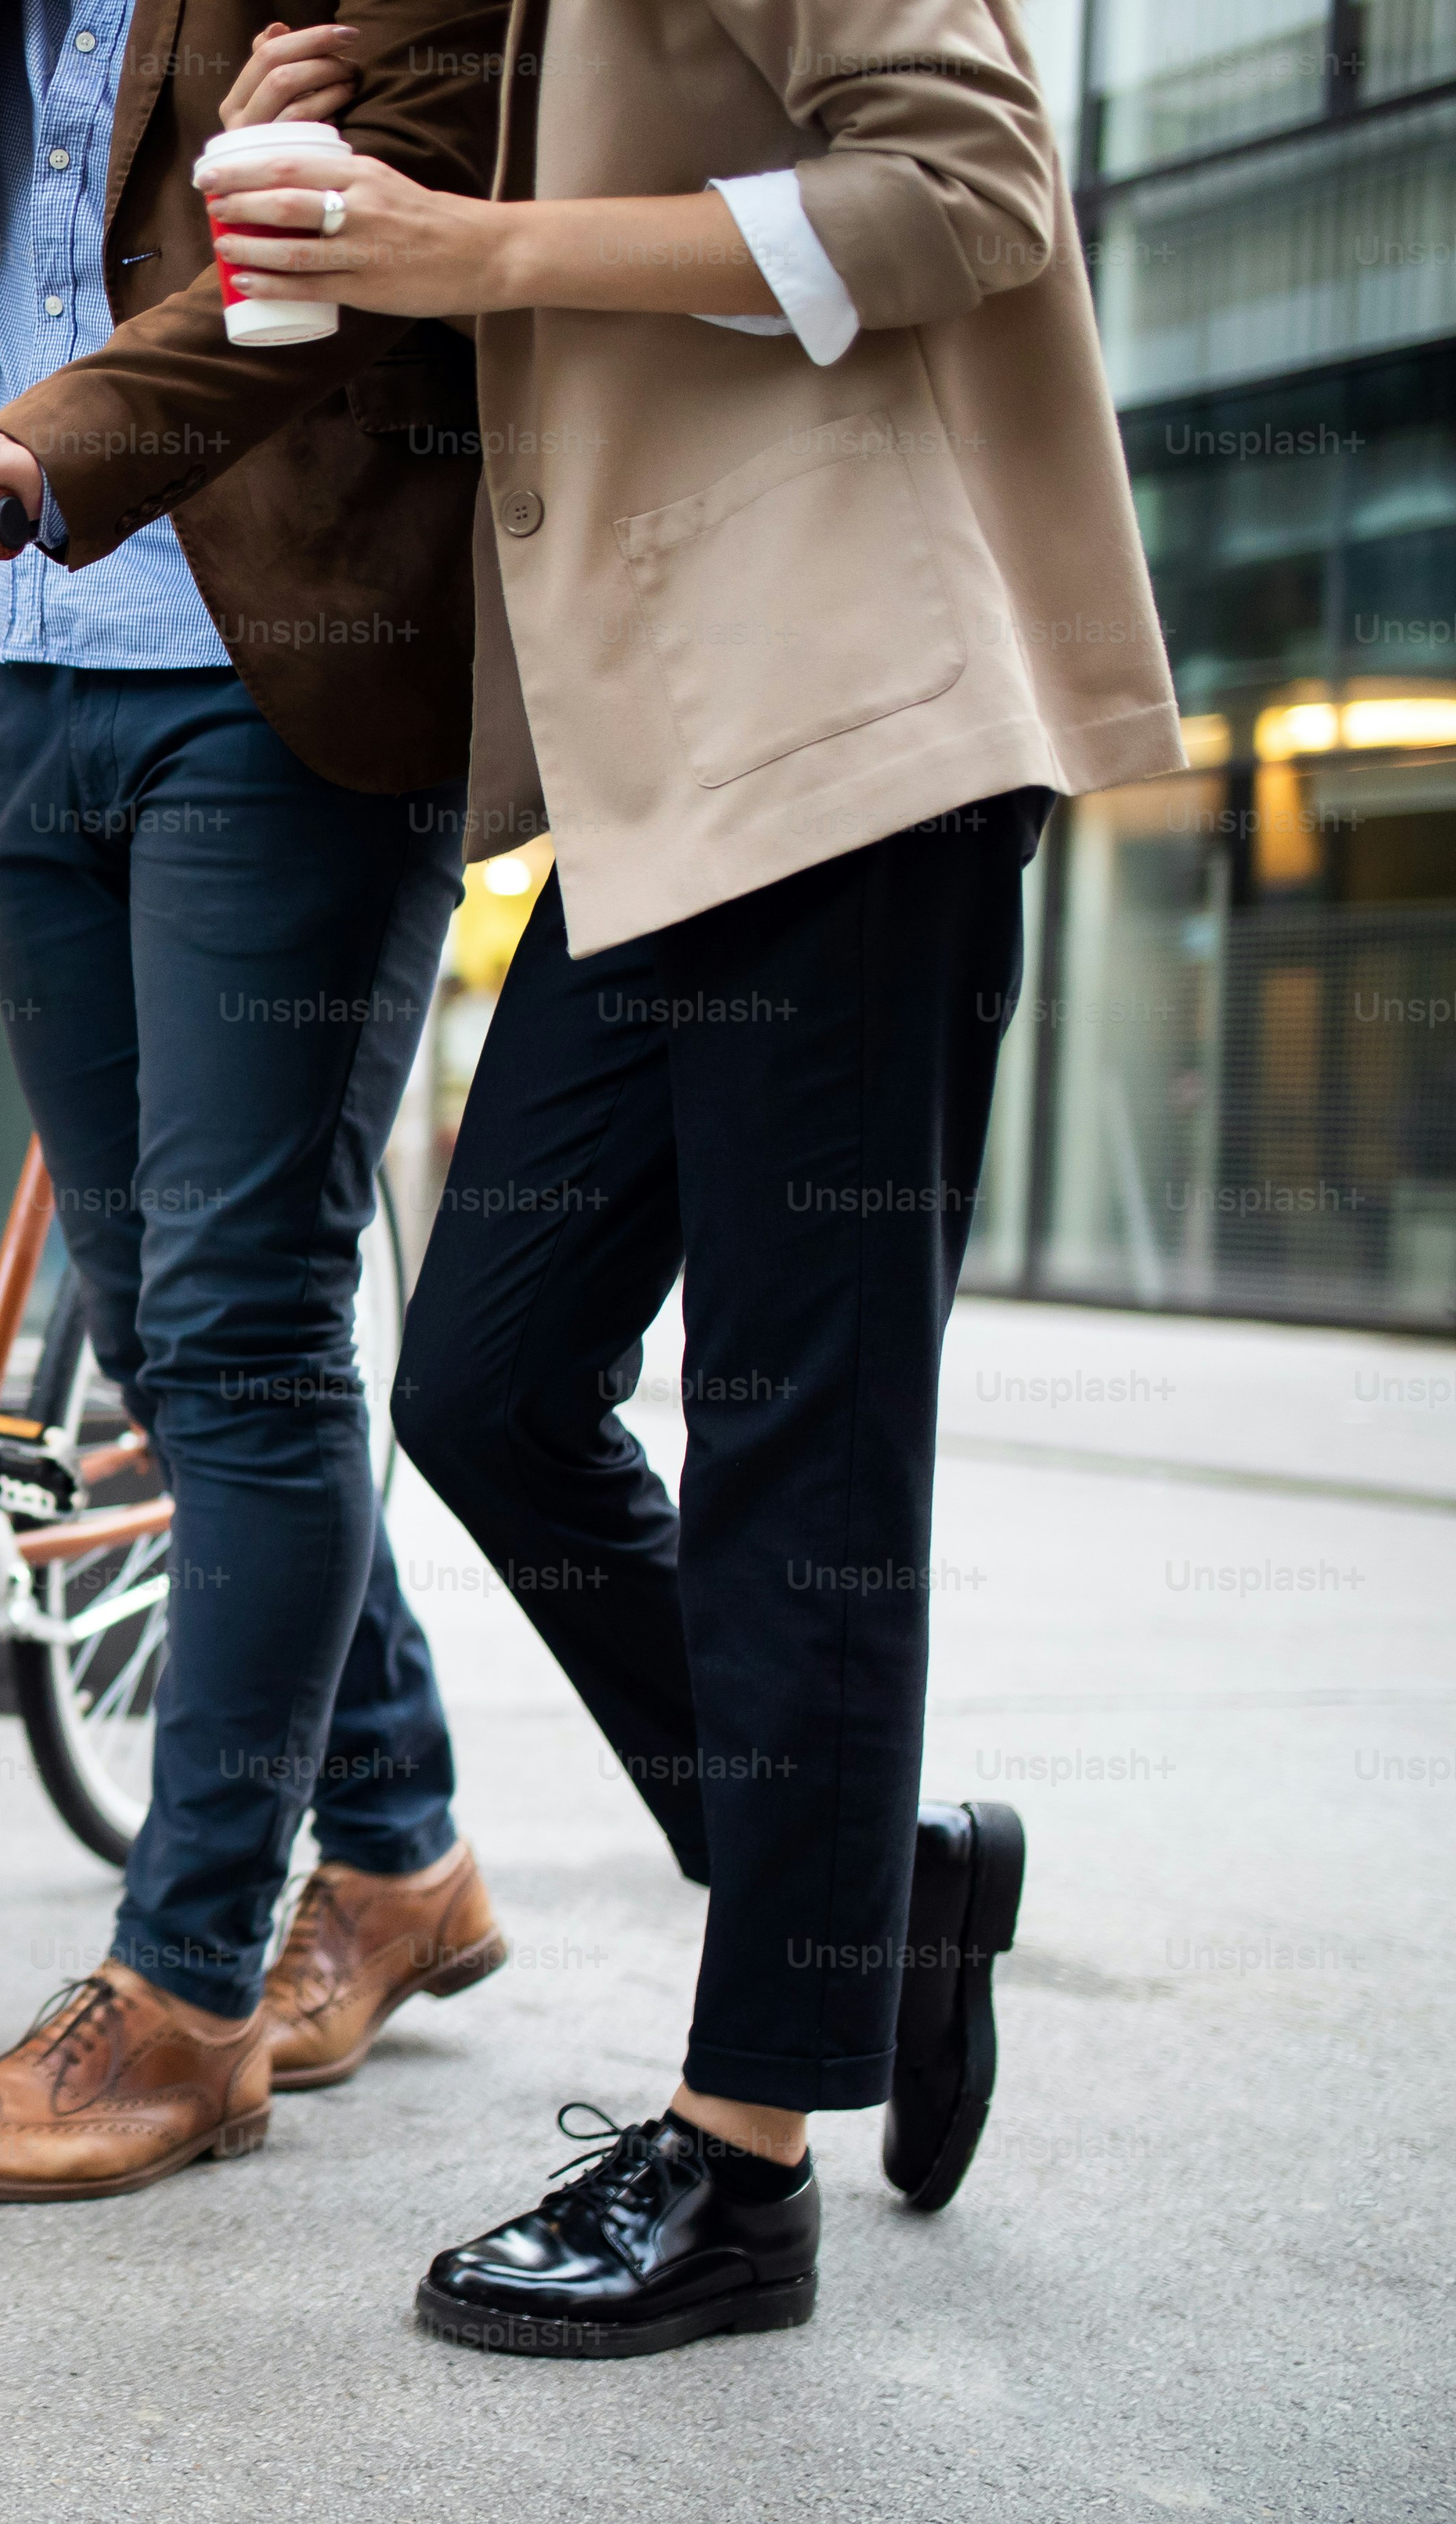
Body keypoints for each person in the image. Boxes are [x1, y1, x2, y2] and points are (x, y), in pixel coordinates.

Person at [200, 0, 1181, 2353]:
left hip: (857, 718)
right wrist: (304, 194)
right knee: (489, 1379)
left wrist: (480, 240)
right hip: (661, 786)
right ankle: (873, 1885)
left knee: (794, 1439)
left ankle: (744, 2164)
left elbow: (967, 184)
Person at [0, 0, 517, 2202]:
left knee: (240, 1324)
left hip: (282, 681)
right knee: (173, 1340)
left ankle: (189, 1996)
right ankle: (398, 1862)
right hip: (37, 667)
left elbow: (319, 276)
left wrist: (17, 452)